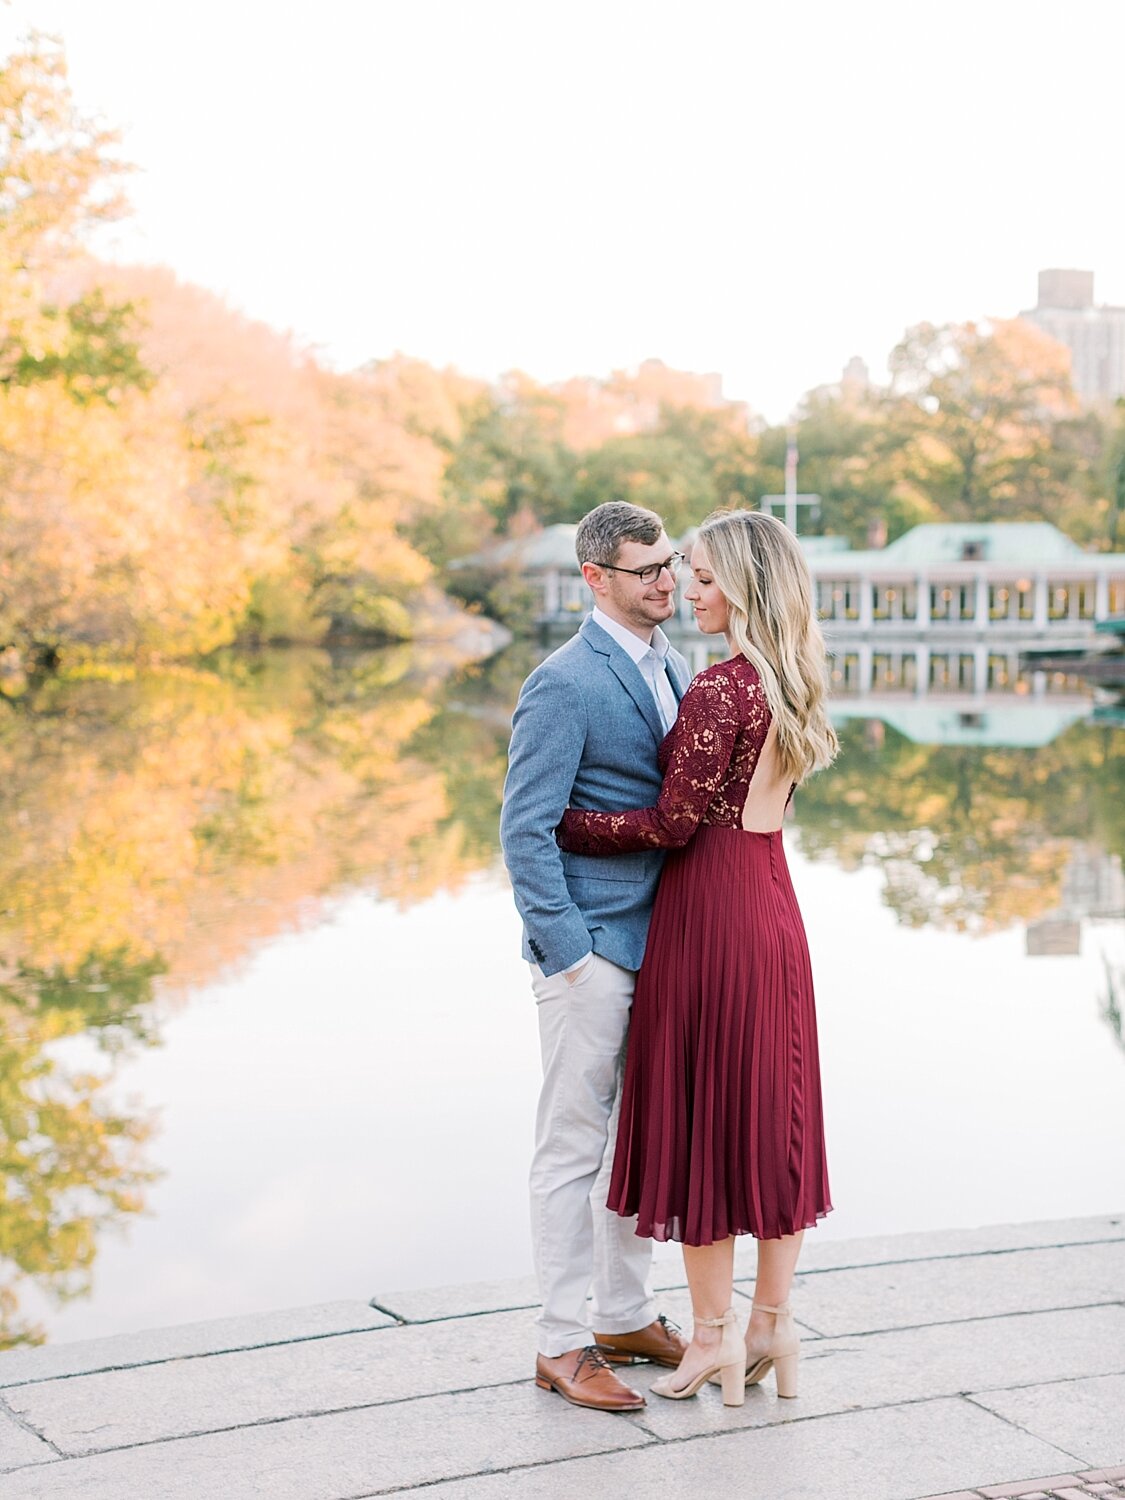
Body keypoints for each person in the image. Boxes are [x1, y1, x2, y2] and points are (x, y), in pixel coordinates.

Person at [555, 508, 837, 1406]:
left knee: (705, 1131)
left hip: (709, 921)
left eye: (707, 579)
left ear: (746, 589)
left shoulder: (719, 691)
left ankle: (711, 1340)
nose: (688, 592)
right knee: (773, 1123)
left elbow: (673, 824)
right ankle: (773, 1326)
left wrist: (571, 824)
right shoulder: (790, 683)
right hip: (773, 913)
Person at [500, 501, 693, 1412]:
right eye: (646, 568)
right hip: (590, 952)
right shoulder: (563, 681)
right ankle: (559, 1341)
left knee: (634, 1143)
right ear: (596, 579)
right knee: (572, 1146)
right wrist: (568, 955)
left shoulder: (677, 666)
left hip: (663, 945)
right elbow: (524, 831)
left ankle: (624, 1313)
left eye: (671, 562)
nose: (667, 579)